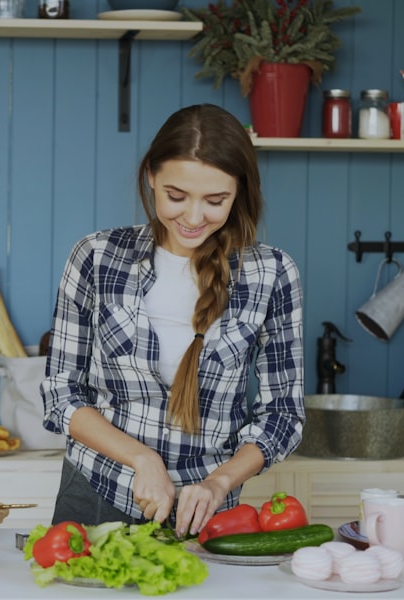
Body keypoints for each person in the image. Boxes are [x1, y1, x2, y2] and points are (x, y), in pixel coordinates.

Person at [40, 103, 305, 539]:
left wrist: (220, 481)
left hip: (209, 510)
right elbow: (61, 393)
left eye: (215, 200)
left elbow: (283, 414)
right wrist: (143, 460)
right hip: (96, 490)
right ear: (151, 176)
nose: (194, 218)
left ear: (240, 191)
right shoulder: (97, 257)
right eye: (176, 196)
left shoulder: (272, 274)